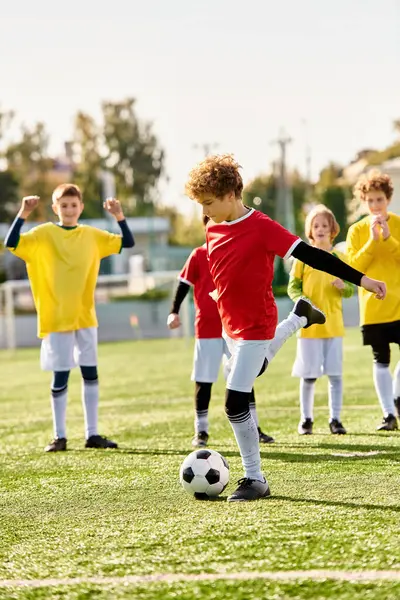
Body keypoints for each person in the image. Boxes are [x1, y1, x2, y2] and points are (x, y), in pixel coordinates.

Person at [185, 154, 386, 502]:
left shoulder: (262, 226)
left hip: (256, 324)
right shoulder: (211, 224)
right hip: (228, 325)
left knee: (235, 402)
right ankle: (299, 317)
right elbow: (220, 264)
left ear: (232, 193)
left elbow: (313, 255)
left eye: (208, 203)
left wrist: (362, 279)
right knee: (256, 368)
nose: (205, 210)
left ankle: (255, 478)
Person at [4, 184, 135, 452]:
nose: (69, 210)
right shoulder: (43, 234)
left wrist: (119, 216)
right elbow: (12, 243)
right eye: (63, 206)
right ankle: (59, 436)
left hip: (85, 316)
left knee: (90, 373)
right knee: (60, 375)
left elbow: (128, 242)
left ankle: (92, 434)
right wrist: (23, 213)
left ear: (81, 207)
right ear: (55, 208)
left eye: (73, 205)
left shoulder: (91, 235)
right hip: (56, 317)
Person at [168, 238, 275, 448]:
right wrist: (174, 311)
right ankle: (201, 430)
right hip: (207, 329)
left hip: (235, 327)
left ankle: (255, 427)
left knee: (244, 377)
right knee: (204, 380)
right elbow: (184, 283)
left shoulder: (235, 250)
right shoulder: (198, 254)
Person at [288, 204, 354, 436]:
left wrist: (343, 286)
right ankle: (306, 419)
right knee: (309, 376)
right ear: (310, 230)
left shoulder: (340, 257)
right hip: (309, 328)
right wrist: (303, 301)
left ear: (333, 230)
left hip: (334, 326)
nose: (321, 229)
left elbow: (351, 290)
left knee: (335, 375)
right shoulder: (303, 258)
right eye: (316, 225)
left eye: (325, 225)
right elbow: (293, 288)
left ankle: (335, 419)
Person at [346, 170, 400, 431]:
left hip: (399, 304)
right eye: (370, 200)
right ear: (364, 201)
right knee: (381, 359)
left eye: (379, 199)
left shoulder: (399, 223)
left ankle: (397, 397)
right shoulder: (356, 230)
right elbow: (353, 268)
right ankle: (388, 414)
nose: (375, 205)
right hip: (373, 308)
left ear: (388, 199)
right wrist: (372, 241)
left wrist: (389, 239)